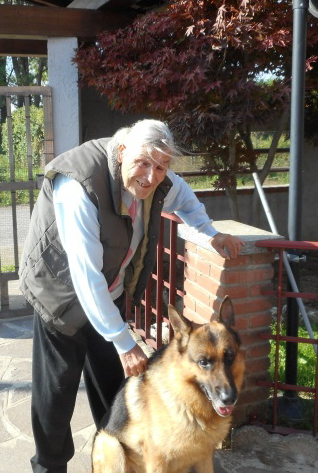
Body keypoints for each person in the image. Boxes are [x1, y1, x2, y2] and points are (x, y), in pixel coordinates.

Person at [19, 119, 244, 472]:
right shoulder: (78, 185)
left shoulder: (155, 176)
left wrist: (210, 233)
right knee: (56, 399)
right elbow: (86, 277)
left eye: (161, 166)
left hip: (109, 296)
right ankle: (48, 468)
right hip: (59, 299)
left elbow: (184, 198)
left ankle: (111, 460)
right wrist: (124, 342)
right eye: (144, 163)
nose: (152, 176)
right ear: (122, 152)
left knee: (113, 391)